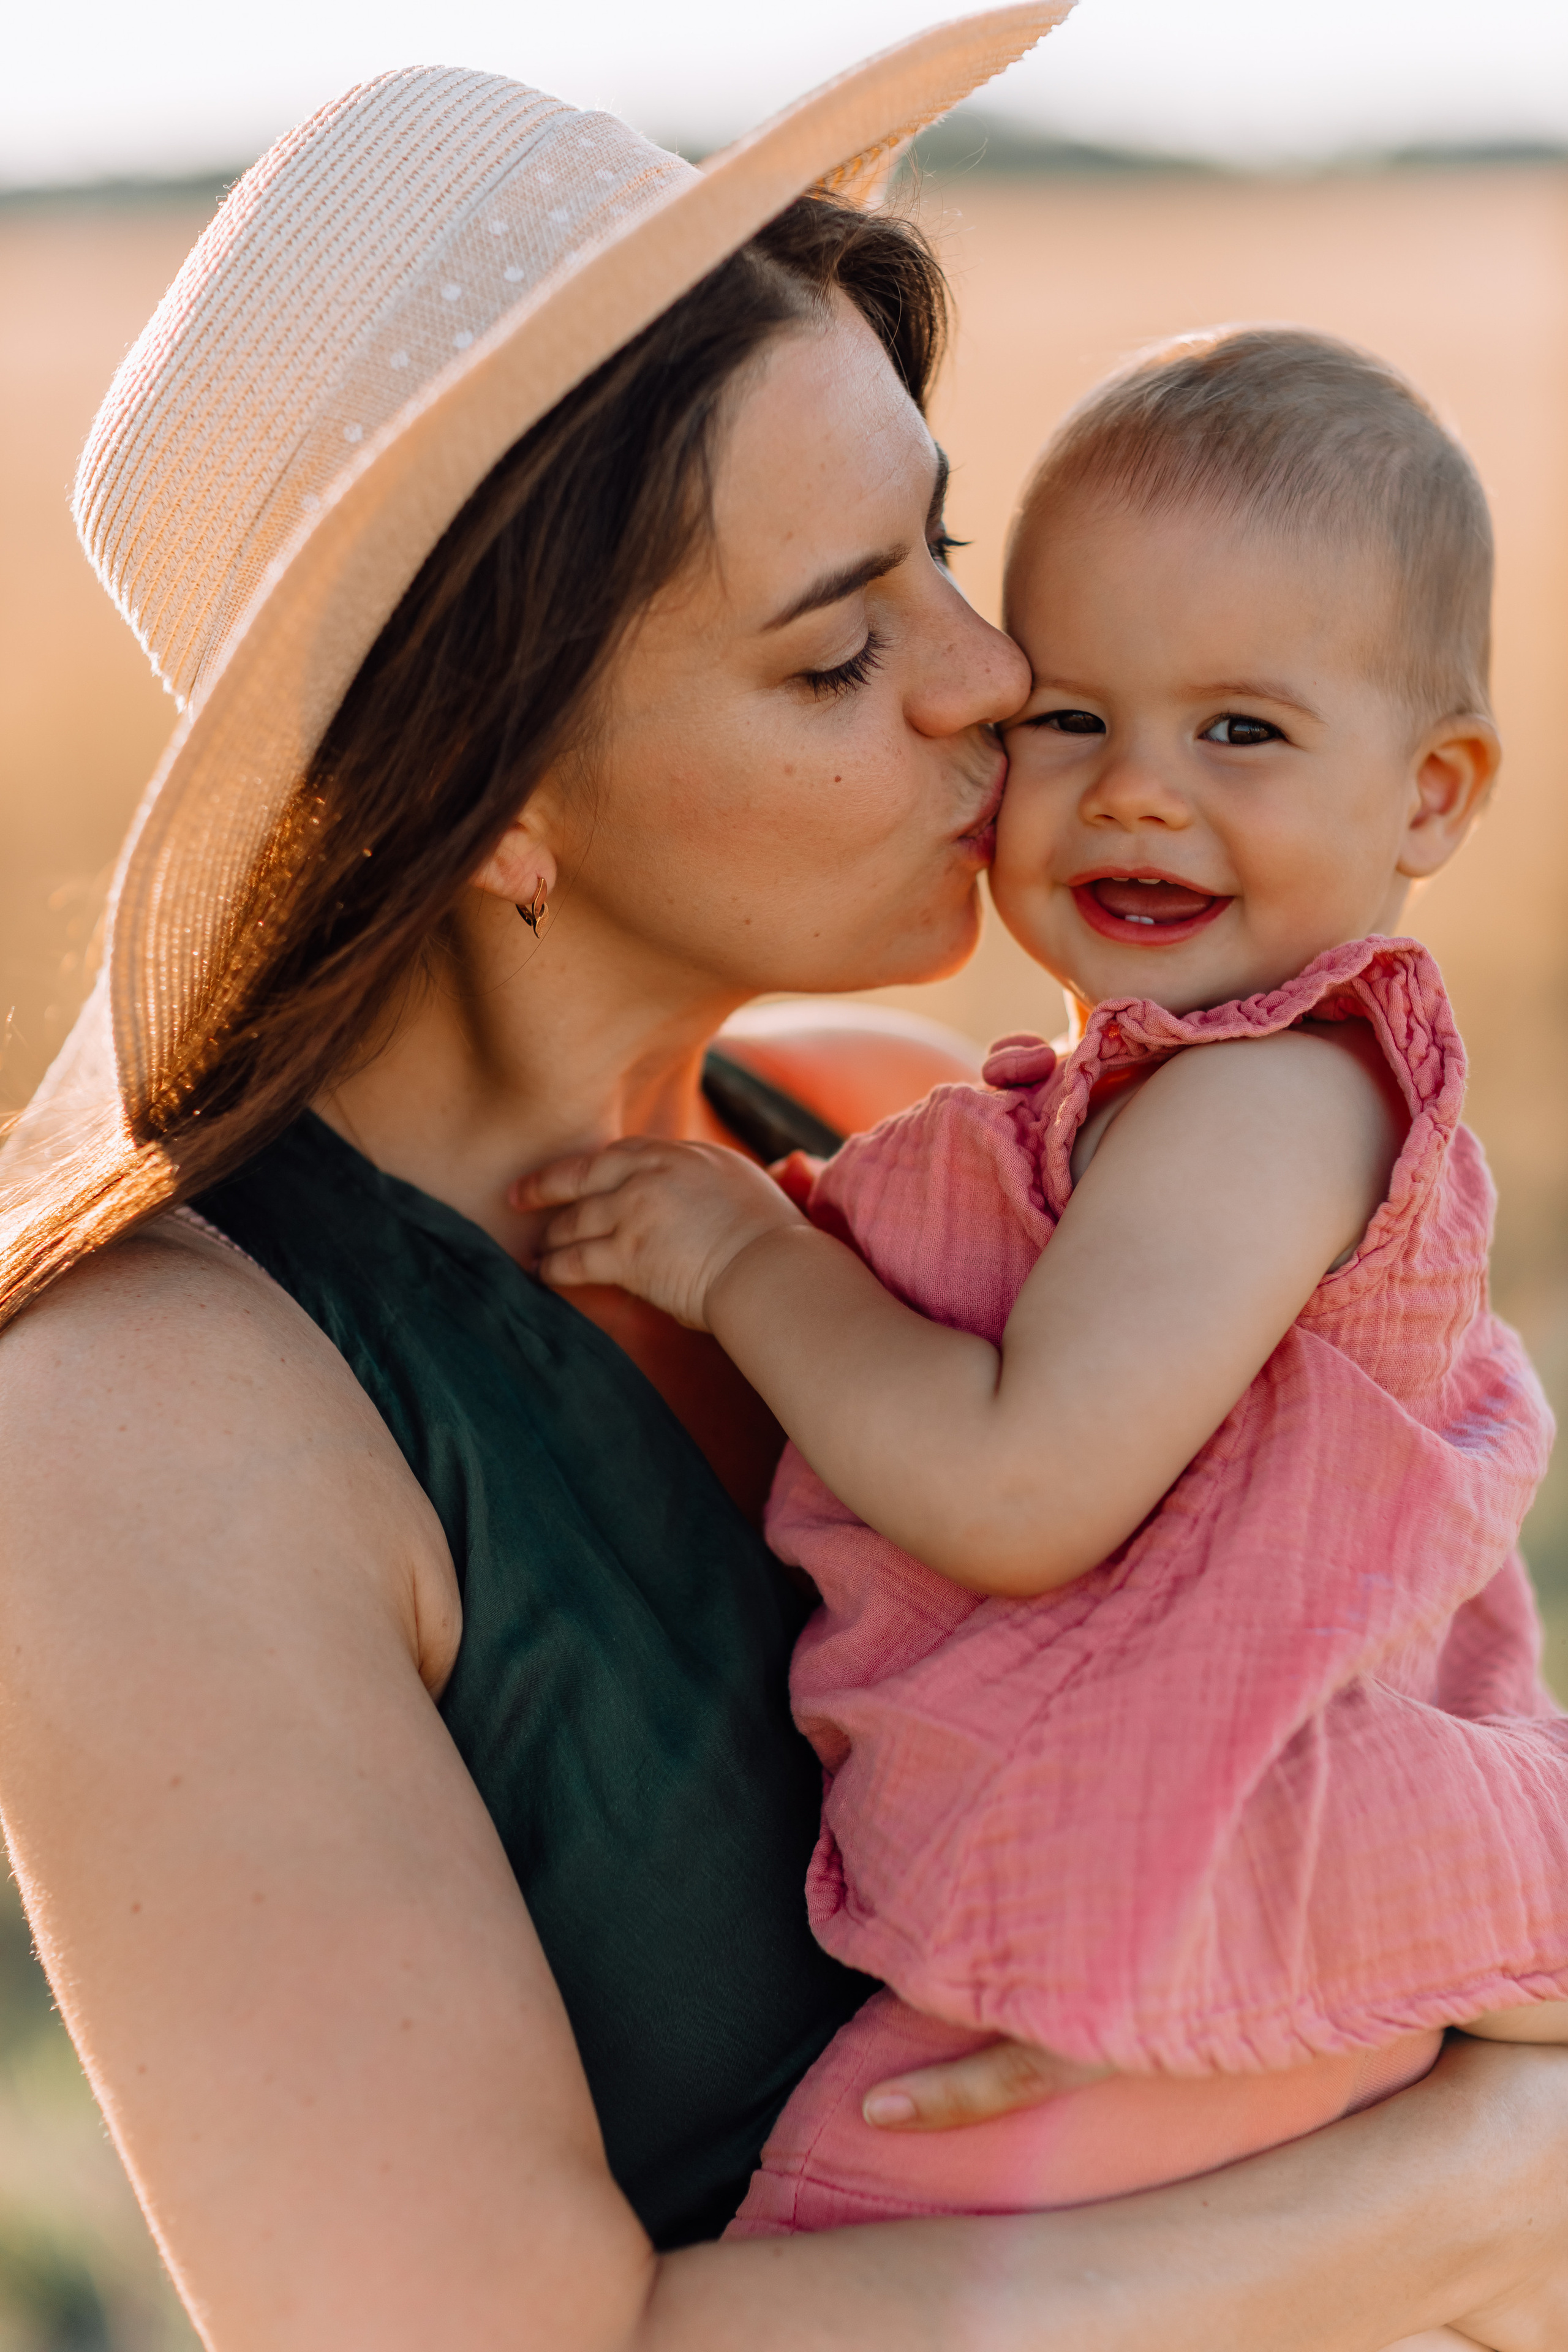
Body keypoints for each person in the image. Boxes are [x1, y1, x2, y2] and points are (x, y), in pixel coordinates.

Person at [1, 37, 1567, 2352]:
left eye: (941, 542)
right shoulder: (138, 1429)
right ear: (490, 800)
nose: (996, 679)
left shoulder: (895, 1131)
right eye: (838, 647)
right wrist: (1471, 2196)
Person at [517, 328, 1568, 2278]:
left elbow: (1022, 1493)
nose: (1137, 798)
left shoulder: (1269, 1098)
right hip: (1143, 1890)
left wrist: (748, 1259)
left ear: (1432, 794)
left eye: (1240, 733)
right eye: (1072, 719)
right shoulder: (1118, 1106)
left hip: (1239, 1863)